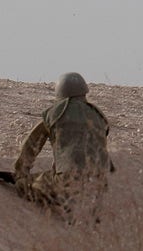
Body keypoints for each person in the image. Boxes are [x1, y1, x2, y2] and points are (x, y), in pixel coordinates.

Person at [13, 72, 112, 221]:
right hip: (98, 184)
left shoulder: (56, 113)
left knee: (28, 184)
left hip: (67, 180)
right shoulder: (98, 116)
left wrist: (20, 172)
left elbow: (32, 144)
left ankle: (55, 199)